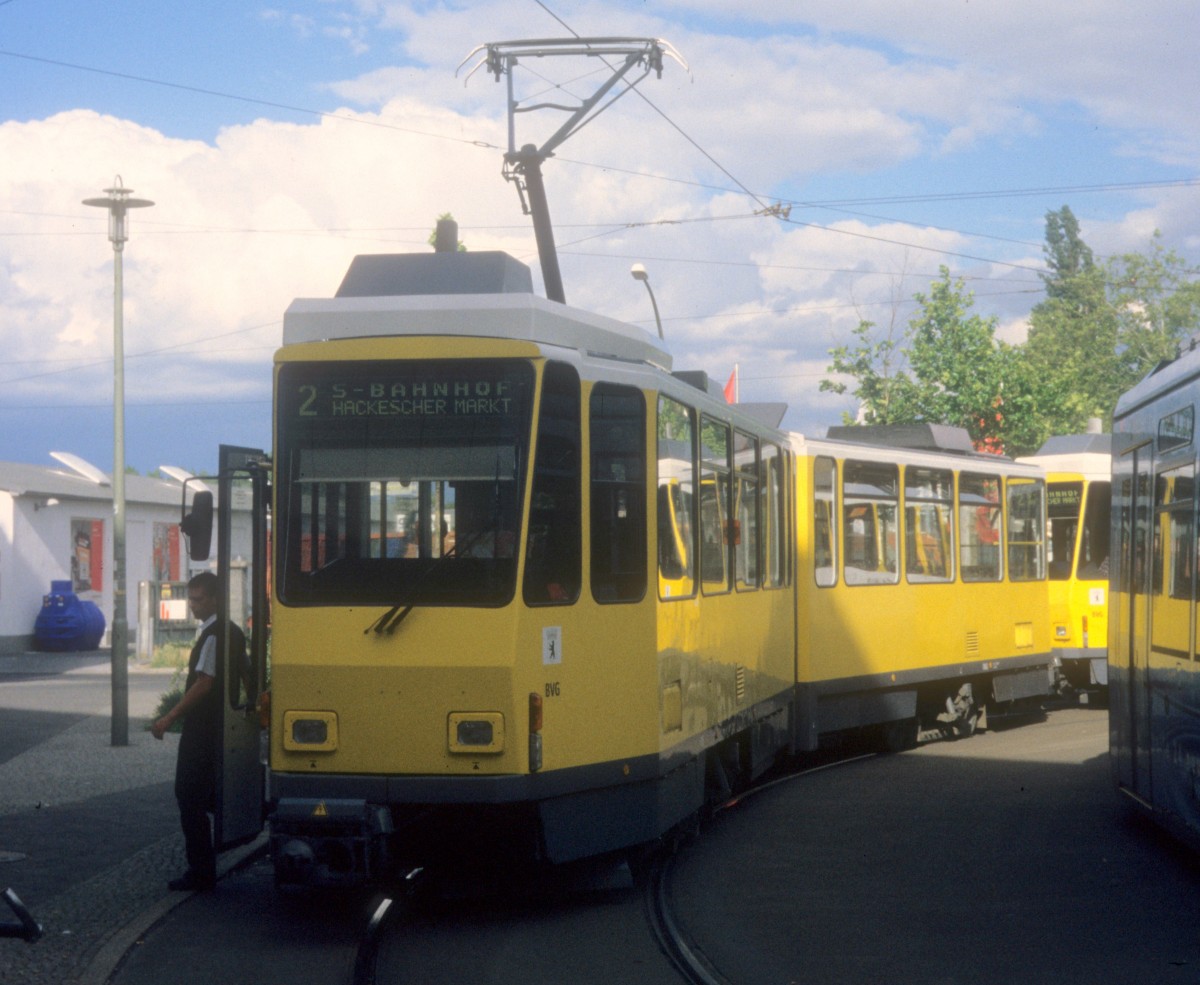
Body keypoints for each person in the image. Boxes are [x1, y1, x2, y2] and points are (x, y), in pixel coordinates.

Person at [151, 571, 246, 892]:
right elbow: (245, 673)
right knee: (207, 793)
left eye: (198, 599)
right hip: (221, 726)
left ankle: (201, 871)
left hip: (202, 729)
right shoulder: (232, 631)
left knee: (188, 795)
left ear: (216, 599)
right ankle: (219, 845)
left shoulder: (214, 635)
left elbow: (204, 683)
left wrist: (169, 717)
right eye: (190, 598)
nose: (192, 604)